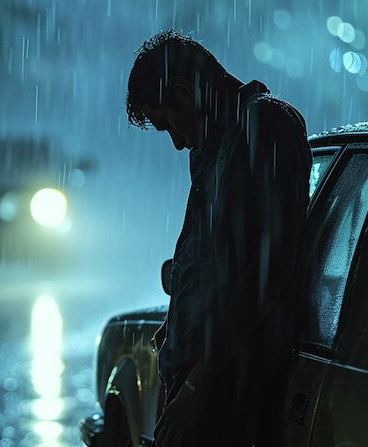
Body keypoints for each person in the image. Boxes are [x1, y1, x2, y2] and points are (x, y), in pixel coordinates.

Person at [126, 30, 311, 446]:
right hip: (201, 385)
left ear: (181, 89)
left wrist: (198, 386)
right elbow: (213, 254)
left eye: (167, 123)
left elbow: (270, 268)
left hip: (226, 390)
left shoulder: (265, 126)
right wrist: (177, 324)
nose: (175, 142)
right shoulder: (210, 145)